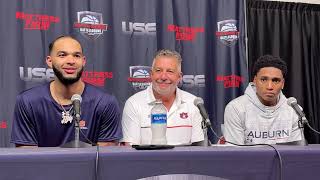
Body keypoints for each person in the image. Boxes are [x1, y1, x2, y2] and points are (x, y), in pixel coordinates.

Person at [11, 35, 122, 147]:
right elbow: (27, 157)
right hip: (44, 165)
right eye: (62, 55)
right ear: (50, 61)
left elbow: (105, 158)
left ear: (83, 61)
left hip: (87, 165)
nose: (71, 61)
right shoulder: (28, 102)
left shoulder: (105, 103)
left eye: (76, 55)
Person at [121, 49, 204, 146]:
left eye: (170, 71)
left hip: (184, 161)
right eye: (158, 70)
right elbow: (130, 152)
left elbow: (198, 150)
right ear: (151, 74)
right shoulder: (134, 104)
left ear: (179, 77)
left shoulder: (193, 103)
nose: (163, 76)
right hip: (147, 161)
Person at [223, 55, 302, 145]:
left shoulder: (294, 110)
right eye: (264, 80)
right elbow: (234, 153)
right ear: (255, 80)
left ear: (283, 83)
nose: (269, 86)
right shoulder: (236, 108)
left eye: (275, 80)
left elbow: (296, 151)